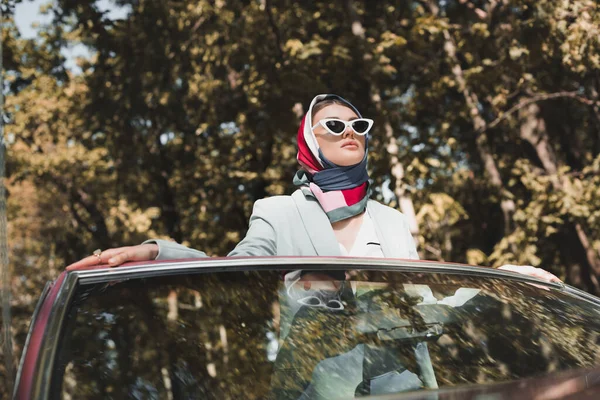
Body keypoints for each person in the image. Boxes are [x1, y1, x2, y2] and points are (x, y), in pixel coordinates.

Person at [65, 94, 559, 284]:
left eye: (358, 126)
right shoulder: (276, 211)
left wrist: (505, 280)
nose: (350, 133)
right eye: (333, 126)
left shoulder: (391, 220)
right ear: (308, 142)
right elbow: (233, 273)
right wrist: (157, 252)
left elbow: (426, 302)